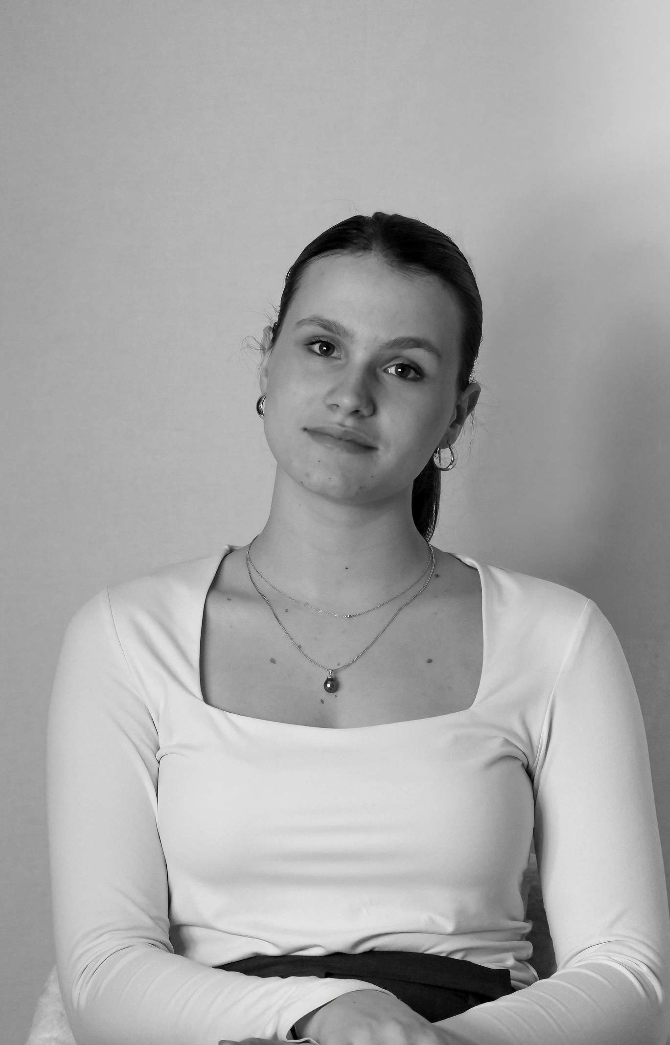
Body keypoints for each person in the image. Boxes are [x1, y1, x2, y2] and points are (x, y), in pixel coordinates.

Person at [47, 212, 670, 1045]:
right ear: (267, 361)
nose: (352, 395)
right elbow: (101, 971)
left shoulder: (559, 638)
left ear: (457, 413)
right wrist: (318, 1014)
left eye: (404, 368)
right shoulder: (125, 634)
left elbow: (628, 971)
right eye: (322, 347)